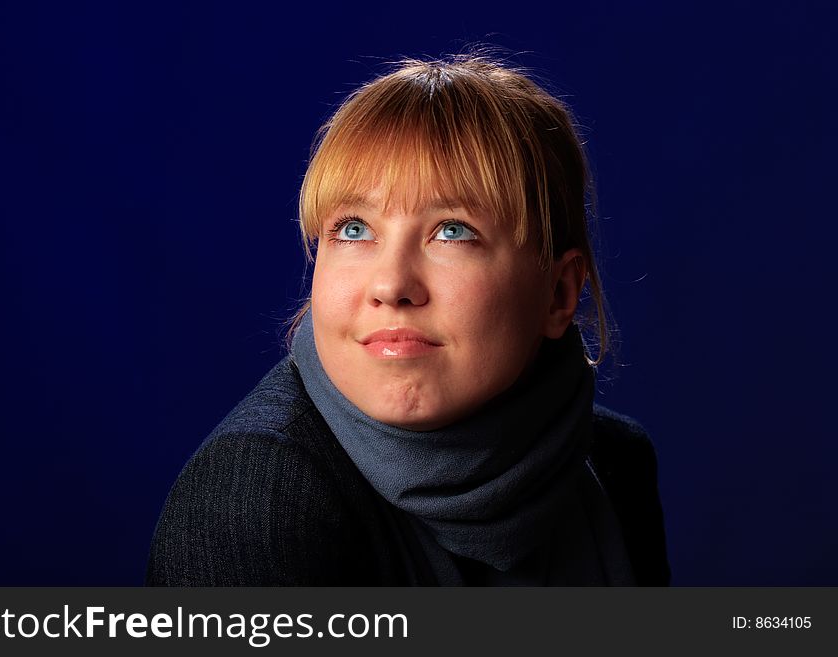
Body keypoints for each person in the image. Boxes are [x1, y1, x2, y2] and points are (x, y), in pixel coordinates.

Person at [146, 53, 670, 586]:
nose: (391, 286)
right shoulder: (255, 497)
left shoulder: (616, 464)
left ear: (559, 294)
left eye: (451, 231)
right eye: (353, 230)